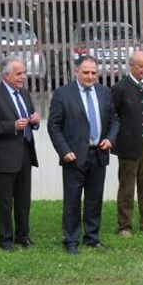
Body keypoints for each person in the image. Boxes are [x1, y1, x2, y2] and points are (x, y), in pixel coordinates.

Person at [47, 55, 119, 254]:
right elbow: (54, 126)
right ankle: (71, 240)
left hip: (99, 153)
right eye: (86, 72)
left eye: (94, 73)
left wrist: (110, 139)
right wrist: (64, 151)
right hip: (74, 156)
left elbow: (114, 119)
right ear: (76, 71)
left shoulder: (104, 92)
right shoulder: (63, 94)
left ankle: (92, 237)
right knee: (72, 199)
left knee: (94, 198)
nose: (90, 76)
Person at [0, 57, 40, 251]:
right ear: (7, 75)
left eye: (24, 72)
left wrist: (35, 120)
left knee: (24, 198)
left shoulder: (24, 93)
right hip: (5, 157)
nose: (24, 76)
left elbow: (29, 116)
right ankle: (5, 239)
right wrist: (12, 127)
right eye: (19, 73)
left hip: (25, 152)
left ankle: (23, 235)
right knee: (6, 201)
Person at [111, 50, 143, 237]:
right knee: (127, 186)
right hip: (128, 144)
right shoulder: (120, 88)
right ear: (131, 66)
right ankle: (125, 226)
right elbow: (112, 115)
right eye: (141, 66)